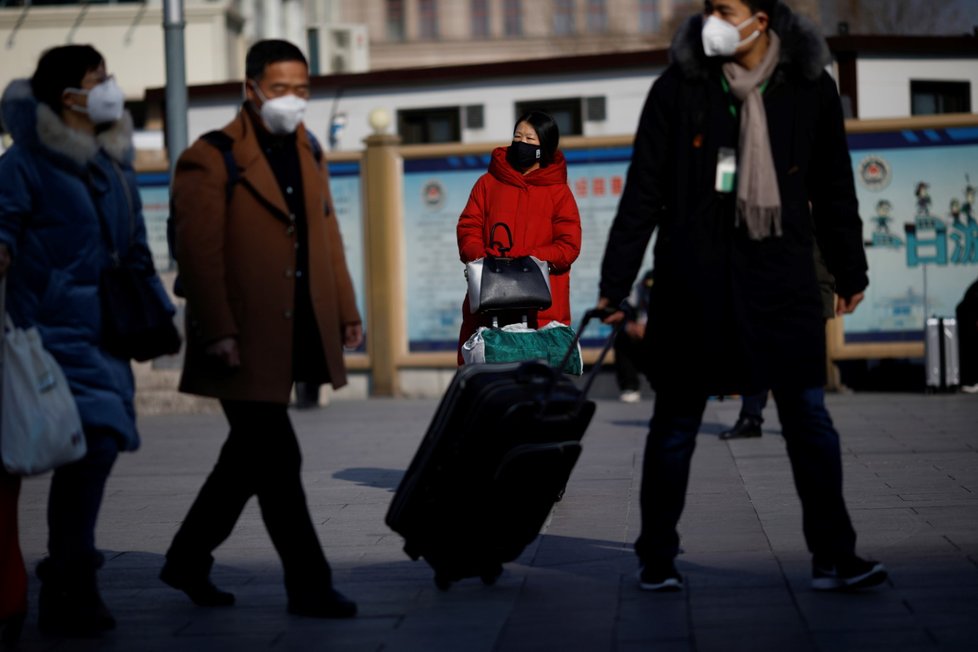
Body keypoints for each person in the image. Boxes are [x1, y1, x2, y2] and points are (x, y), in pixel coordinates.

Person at [597, 0, 887, 593]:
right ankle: (656, 556)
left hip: (780, 280)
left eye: (725, 9)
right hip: (693, 283)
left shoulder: (810, 86)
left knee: (808, 416)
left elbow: (835, 189)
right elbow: (642, 191)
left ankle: (835, 555)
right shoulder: (679, 87)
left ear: (761, 16)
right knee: (676, 423)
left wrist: (849, 271)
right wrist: (614, 285)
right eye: (707, 9)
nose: (713, 21)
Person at [163, 39, 363, 618]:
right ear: (250, 88)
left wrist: (346, 311)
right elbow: (198, 257)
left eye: (302, 89)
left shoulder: (310, 149)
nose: (293, 100)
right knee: (277, 457)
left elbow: (328, 237)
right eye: (280, 89)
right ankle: (309, 585)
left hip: (294, 328)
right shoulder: (210, 156)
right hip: (240, 336)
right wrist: (218, 330)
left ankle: (186, 558)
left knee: (247, 459)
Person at [0, 45, 171, 636]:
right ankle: (53, 583)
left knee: (95, 451)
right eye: (98, 79)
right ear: (67, 95)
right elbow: (2, 227)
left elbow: (137, 249)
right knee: (51, 452)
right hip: (40, 338)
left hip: (106, 335)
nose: (110, 88)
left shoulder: (116, 162)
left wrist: (157, 308)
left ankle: (69, 581)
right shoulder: (24, 163)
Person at [456, 111, 582, 362]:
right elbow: (468, 226)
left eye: (530, 139)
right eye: (518, 136)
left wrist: (529, 260)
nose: (521, 143)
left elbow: (569, 245)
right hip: (490, 297)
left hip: (542, 308)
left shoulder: (559, 192)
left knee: (538, 382)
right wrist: (483, 259)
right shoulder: (488, 183)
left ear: (544, 147)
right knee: (487, 376)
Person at [720, 246, 835, 439]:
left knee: (804, 359)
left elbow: (836, 228)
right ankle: (751, 416)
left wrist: (850, 278)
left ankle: (806, 420)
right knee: (756, 352)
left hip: (811, 282)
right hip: (764, 283)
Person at [615, 270, 654, 403]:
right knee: (622, 338)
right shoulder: (637, 293)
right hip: (641, 344)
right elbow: (621, 314)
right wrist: (630, 327)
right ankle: (630, 387)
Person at [958, 277, 978, 393]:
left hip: (969, 321)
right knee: (972, 352)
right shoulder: (975, 289)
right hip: (969, 323)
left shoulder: (974, 287)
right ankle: (974, 381)